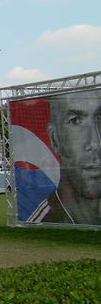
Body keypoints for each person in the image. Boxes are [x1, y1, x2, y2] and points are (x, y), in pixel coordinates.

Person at [33, 91, 101, 225]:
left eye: (100, 118)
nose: (96, 143)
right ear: (55, 138)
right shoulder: (44, 223)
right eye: (75, 121)